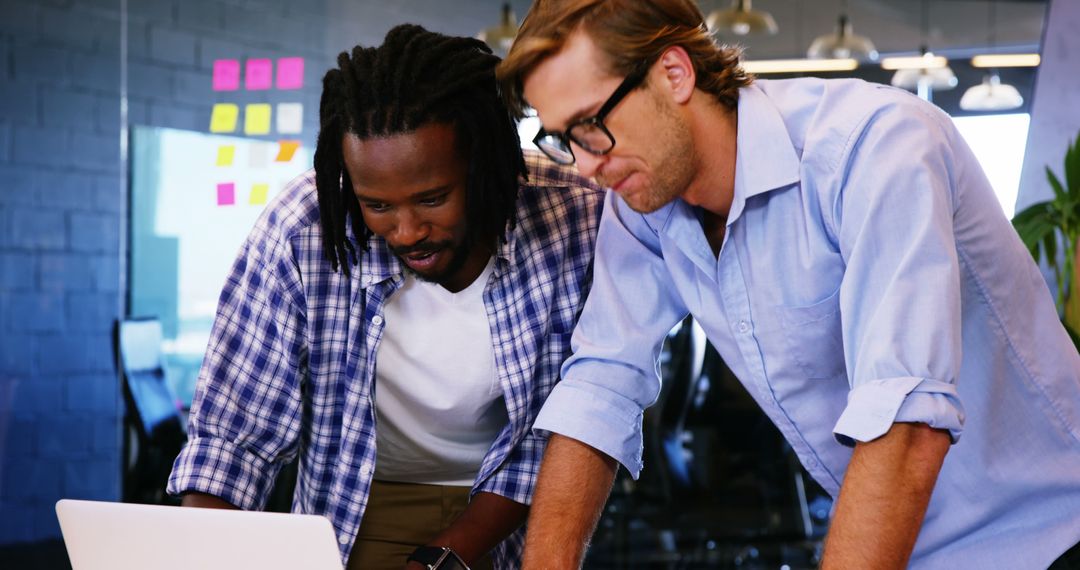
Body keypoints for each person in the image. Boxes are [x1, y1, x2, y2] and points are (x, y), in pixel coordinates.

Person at [496, 1, 1080, 568]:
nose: (584, 165)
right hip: (908, 548)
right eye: (561, 139)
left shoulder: (874, 146)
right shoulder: (644, 201)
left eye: (592, 125)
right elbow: (600, 385)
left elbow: (905, 419)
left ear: (673, 73)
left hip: (1049, 535)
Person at [168, 24, 604, 570]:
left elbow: (581, 416)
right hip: (363, 499)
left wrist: (453, 551)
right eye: (378, 206)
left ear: (484, 165)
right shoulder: (302, 229)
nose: (405, 232)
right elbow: (234, 439)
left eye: (432, 199)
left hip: (525, 503)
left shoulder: (576, 218)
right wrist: (205, 556)